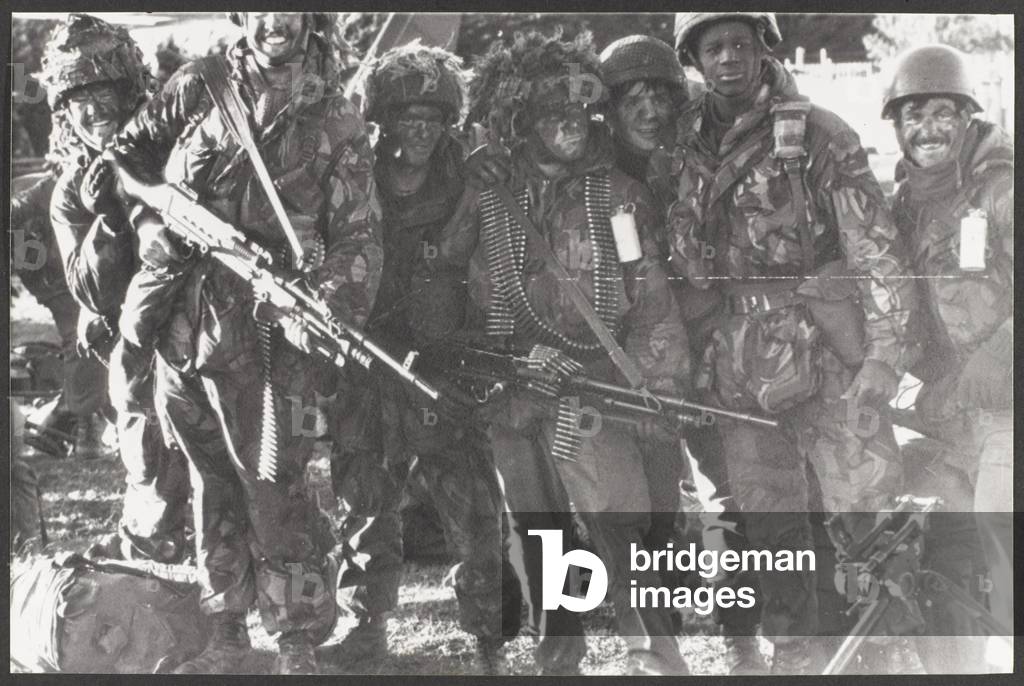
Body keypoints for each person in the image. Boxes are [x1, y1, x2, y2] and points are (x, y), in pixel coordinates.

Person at [111, 12, 383, 674]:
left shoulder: (334, 111)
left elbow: (359, 231)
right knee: (210, 479)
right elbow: (128, 153)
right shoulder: (197, 84)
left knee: (274, 478)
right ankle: (227, 627)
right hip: (185, 322)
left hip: (273, 327)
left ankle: (295, 636)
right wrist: (160, 214)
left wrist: (326, 305)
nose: (275, 22)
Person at [667, 12, 914, 673]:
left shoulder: (819, 133)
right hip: (738, 368)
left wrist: (887, 353)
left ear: (762, 47)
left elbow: (875, 248)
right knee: (771, 528)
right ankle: (799, 655)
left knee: (865, 513)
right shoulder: (687, 139)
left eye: (740, 44)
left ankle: (889, 654)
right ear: (692, 56)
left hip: (824, 356)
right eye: (712, 46)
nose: (728, 58)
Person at [440, 29, 691, 676]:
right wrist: (513, 362)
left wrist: (643, 387)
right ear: (520, 122)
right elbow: (449, 305)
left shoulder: (617, 199)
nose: (573, 126)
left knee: (615, 522)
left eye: (581, 112)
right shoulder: (489, 198)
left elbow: (650, 296)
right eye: (555, 115)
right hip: (514, 395)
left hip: (592, 391)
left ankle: (654, 655)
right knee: (538, 529)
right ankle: (559, 659)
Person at [324, 43, 508, 673]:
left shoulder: (469, 174)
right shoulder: (355, 174)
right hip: (371, 364)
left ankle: (488, 631)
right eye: (406, 115)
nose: (420, 127)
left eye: (432, 114)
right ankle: (364, 629)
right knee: (364, 506)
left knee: (475, 511)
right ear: (383, 118)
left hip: (445, 361)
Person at [599, 33, 767, 675]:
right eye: (630, 100)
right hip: (643, 358)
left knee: (730, 490)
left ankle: (741, 631)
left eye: (658, 97)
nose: (647, 112)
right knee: (655, 503)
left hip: (717, 343)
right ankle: (662, 652)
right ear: (609, 111)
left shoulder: (706, 142)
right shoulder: (594, 165)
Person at [41, 13, 191, 563]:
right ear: (64, 111)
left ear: (132, 94)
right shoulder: (70, 193)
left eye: (105, 93)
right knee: (147, 462)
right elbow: (90, 292)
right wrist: (106, 219)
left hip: (199, 331)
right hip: (132, 348)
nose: (94, 110)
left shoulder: (172, 154)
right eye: (79, 98)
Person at [884, 43, 1013, 673]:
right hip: (949, 411)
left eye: (942, 113)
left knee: (1002, 530)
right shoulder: (905, 203)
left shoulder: (1003, 188)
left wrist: (1001, 353)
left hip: (1008, 409)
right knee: (926, 540)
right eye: (913, 116)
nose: (927, 129)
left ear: (966, 119)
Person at [12, 164, 109, 461]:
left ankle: (76, 412)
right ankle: (85, 425)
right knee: (81, 340)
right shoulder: (49, 187)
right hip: (56, 276)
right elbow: (16, 208)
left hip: (84, 271)